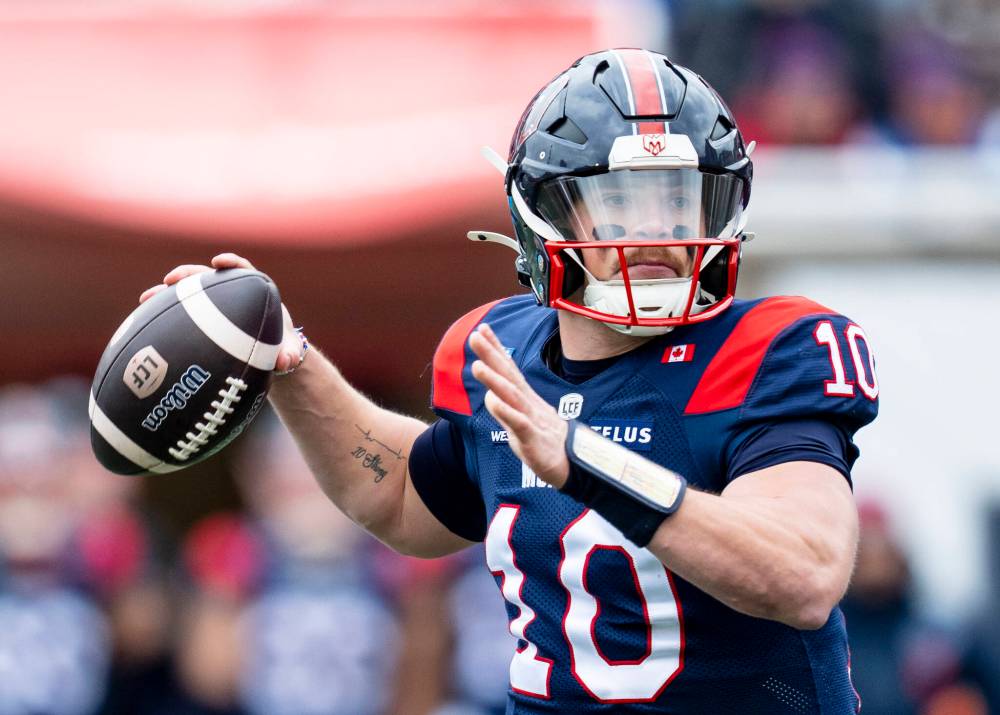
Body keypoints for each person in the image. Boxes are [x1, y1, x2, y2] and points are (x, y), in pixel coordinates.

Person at [142, 49, 879, 713]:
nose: (657, 231)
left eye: (680, 199)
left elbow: (804, 573)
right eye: (622, 203)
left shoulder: (768, 348)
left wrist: (586, 461)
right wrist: (292, 366)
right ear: (543, 214)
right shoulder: (498, 348)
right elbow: (398, 496)